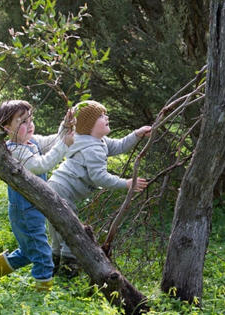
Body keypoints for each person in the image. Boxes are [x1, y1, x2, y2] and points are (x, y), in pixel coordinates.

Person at [0, 100, 75, 291]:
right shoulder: (15, 149)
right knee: (42, 253)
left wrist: (65, 125)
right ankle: (41, 295)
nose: (29, 125)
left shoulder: (31, 141)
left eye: (30, 120)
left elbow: (53, 140)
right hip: (25, 210)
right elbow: (40, 165)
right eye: (22, 122)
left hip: (32, 207)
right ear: (6, 128)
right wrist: (64, 145)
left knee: (29, 251)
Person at [48, 100, 150, 277]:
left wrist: (137, 134)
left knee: (57, 232)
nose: (107, 117)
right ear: (89, 125)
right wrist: (125, 183)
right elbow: (99, 177)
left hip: (55, 186)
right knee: (69, 230)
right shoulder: (92, 148)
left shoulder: (97, 140)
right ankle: (67, 271)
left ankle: (52, 266)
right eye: (101, 116)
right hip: (62, 189)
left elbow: (119, 146)